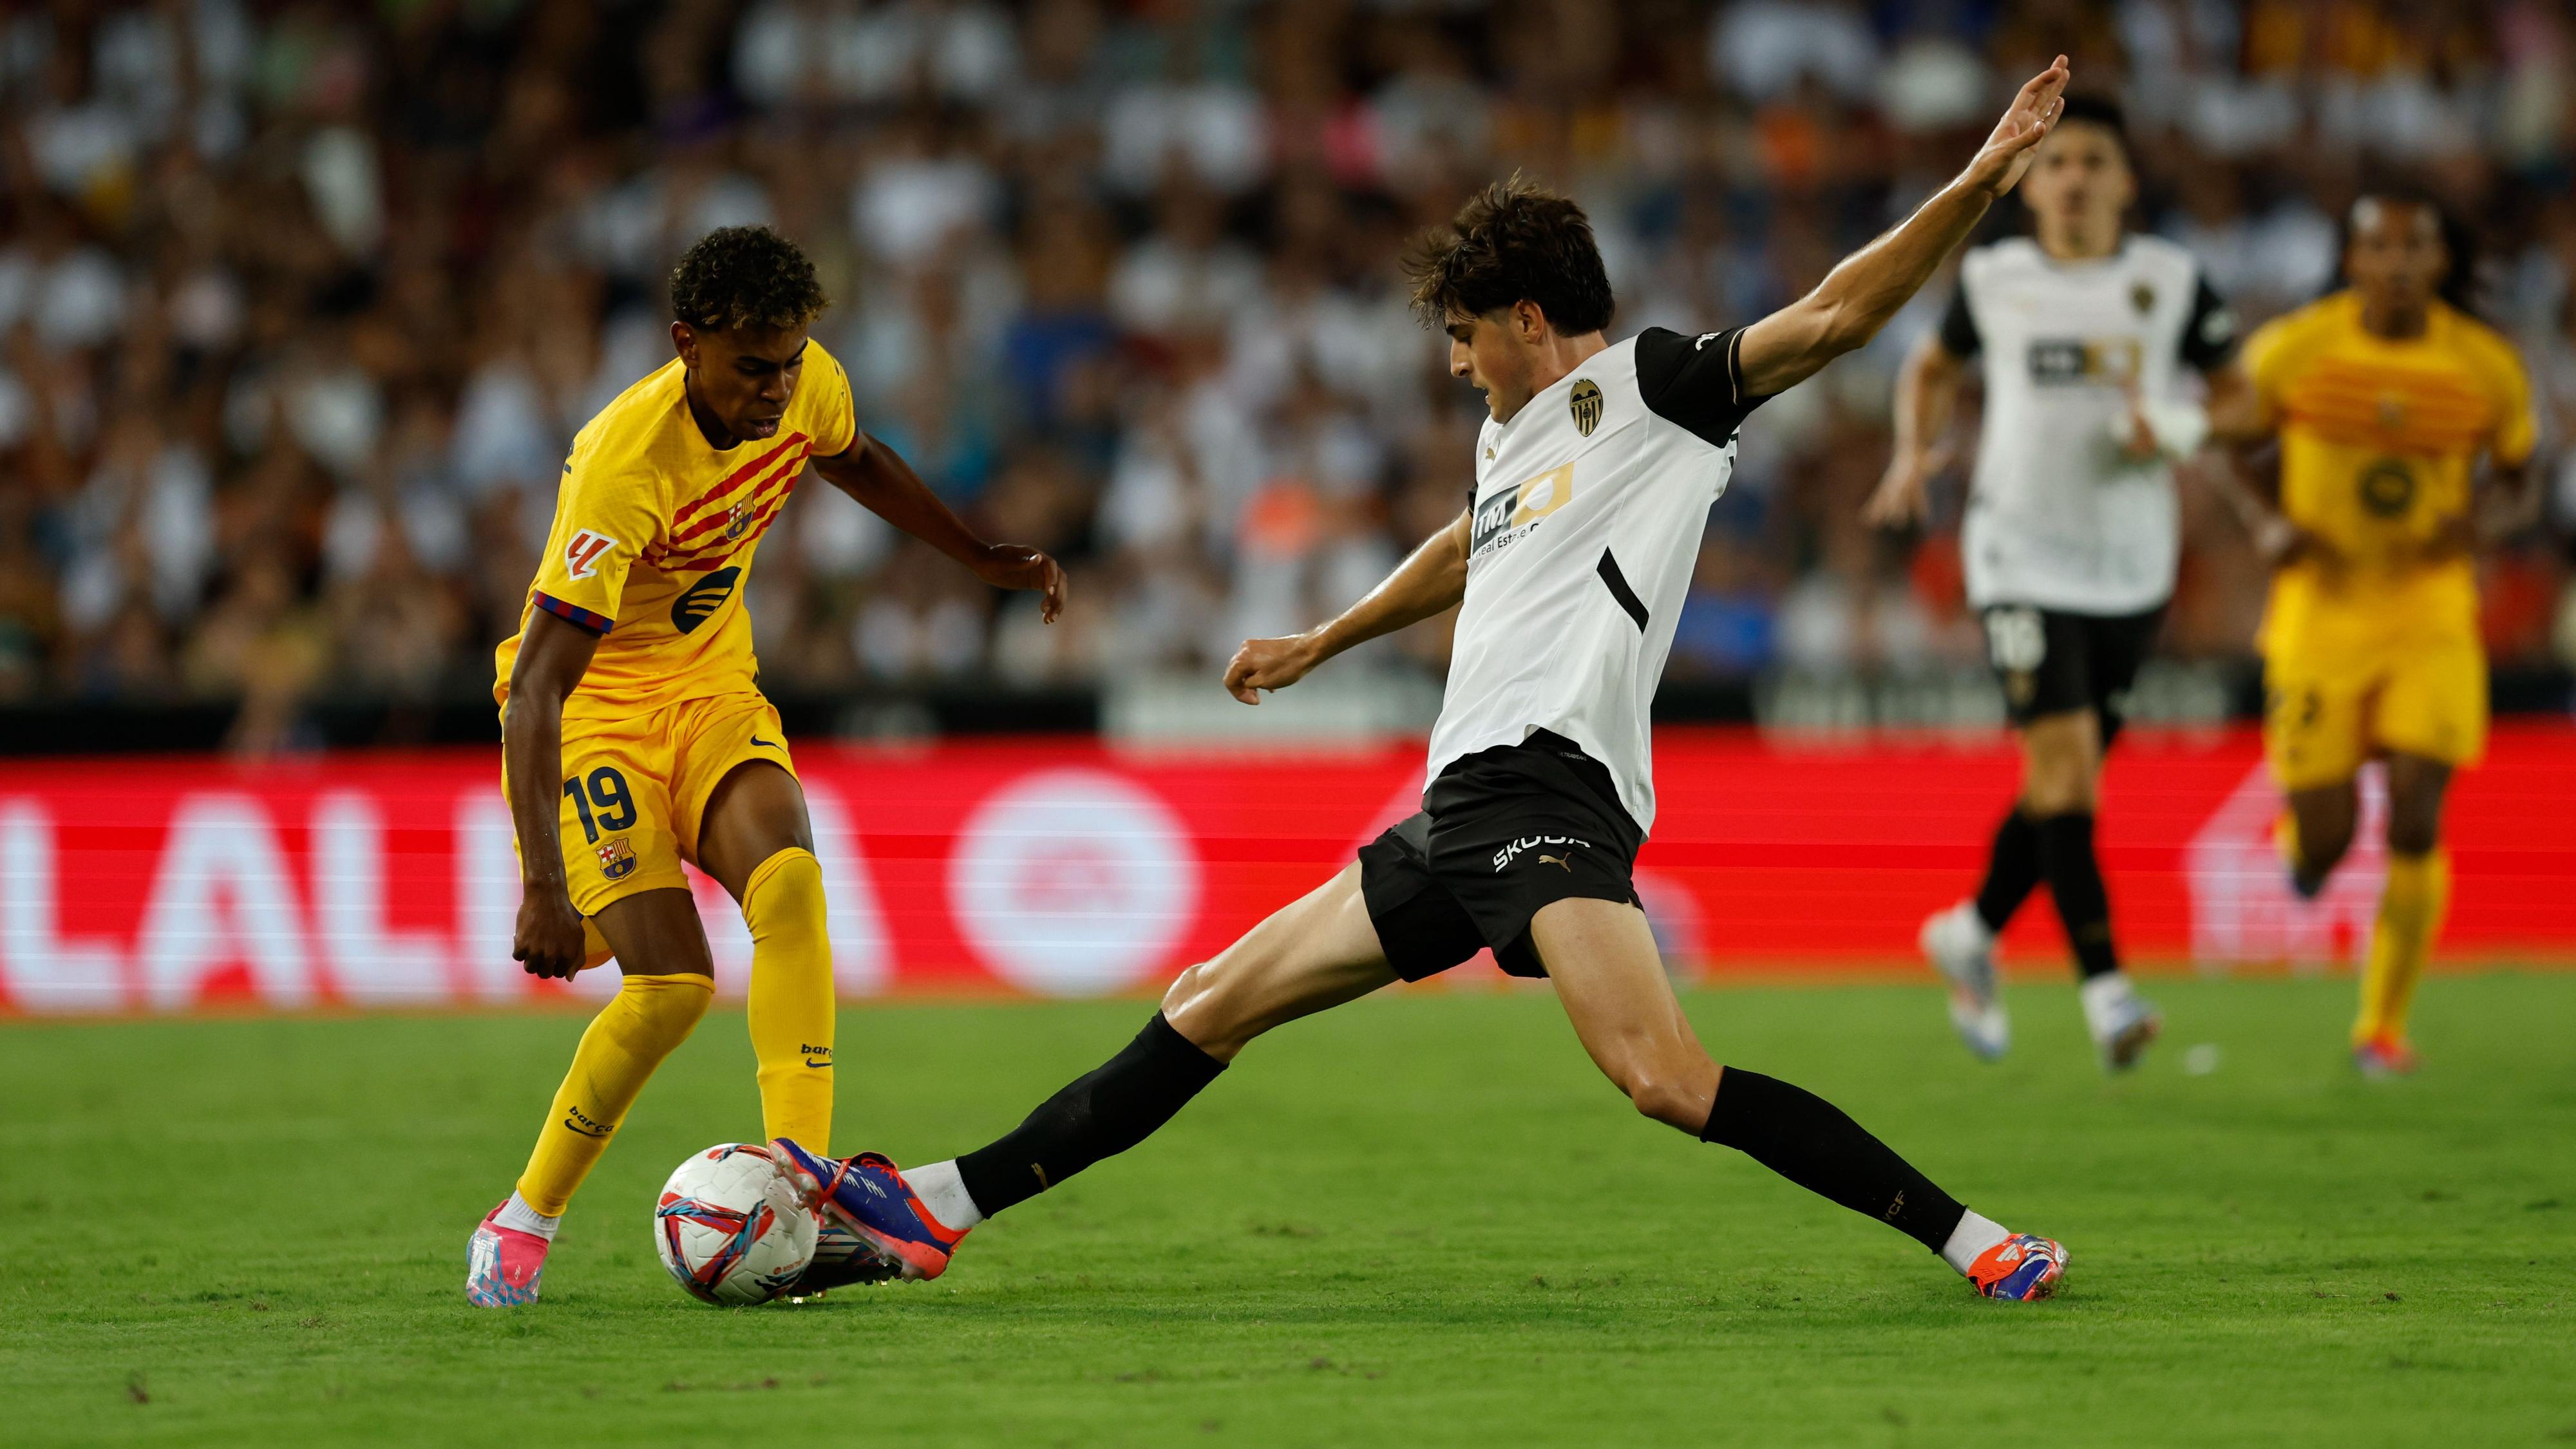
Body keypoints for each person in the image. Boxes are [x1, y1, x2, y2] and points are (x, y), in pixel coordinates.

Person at [775, 60, 2084, 1302]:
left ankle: (1978, 1242)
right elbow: (1468, 546)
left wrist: (1981, 174)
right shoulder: (1507, 439)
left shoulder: (1655, 389)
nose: (1454, 365)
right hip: (1458, 806)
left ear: (1527, 318)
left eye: (1464, 337)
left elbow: (1838, 314)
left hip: (1546, 786)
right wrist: (1323, 639)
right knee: (1206, 1003)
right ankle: (937, 1205)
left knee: (1664, 1079)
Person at [464, 227, 1066, 1306]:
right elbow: (544, 687)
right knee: (669, 986)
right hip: (598, 717)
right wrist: (543, 885)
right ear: (687, 344)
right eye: (751, 366)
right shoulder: (623, 465)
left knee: (788, 879)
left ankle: (802, 1175)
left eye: (790, 361)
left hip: (712, 693)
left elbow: (857, 456)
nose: (777, 388)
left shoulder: (802, 380)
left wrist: (976, 554)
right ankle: (525, 1213)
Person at [1864, 97, 2245, 1070]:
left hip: (2132, 563)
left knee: (2059, 783)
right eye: (2059, 161)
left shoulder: (2170, 281)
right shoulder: (1996, 277)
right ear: (2032, 183)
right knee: (2068, 772)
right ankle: (2108, 991)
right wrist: (1913, 452)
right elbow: (1931, 366)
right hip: (2018, 554)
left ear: (2124, 181)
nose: (2073, 177)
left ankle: (1972, 932)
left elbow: (2247, 398)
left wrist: (2183, 425)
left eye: (2093, 161)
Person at [2211, 193, 2537, 1077]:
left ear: (2440, 262)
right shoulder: (2297, 348)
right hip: (2319, 610)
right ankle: (2301, 851)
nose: (2396, 262)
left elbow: (2521, 477)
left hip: (2430, 610)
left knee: (2417, 812)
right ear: (2350, 261)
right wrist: (2266, 522)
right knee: (2328, 832)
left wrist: (2486, 524)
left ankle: (2380, 1029)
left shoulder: (2484, 366)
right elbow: (2225, 438)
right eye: (2378, 246)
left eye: (2414, 247)